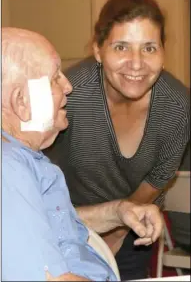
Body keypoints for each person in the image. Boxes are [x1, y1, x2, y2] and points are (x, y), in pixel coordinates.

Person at [44, 0, 190, 280]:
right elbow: (43, 170)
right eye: (121, 47)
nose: (136, 64)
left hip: (135, 224)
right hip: (68, 220)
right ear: (98, 50)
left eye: (149, 48)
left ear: (163, 52)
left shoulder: (178, 106)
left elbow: (160, 176)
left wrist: (120, 227)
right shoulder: (72, 94)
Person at [2, 27, 164, 281]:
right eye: (55, 78)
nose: (68, 86)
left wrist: (119, 211)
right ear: (21, 101)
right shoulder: (7, 168)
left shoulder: (22, 159)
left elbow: (52, 221)